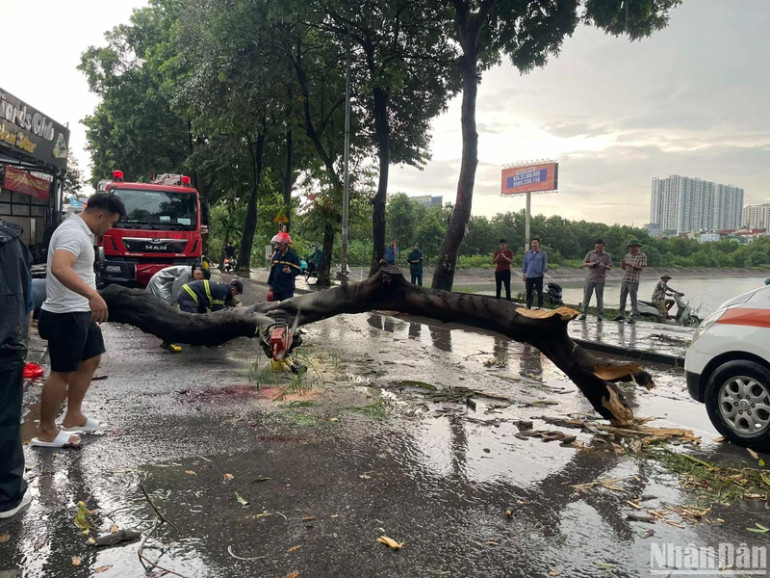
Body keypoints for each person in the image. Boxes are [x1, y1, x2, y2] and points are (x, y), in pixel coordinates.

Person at [31, 193, 126, 449]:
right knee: (62, 373)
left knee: (92, 358)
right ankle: (46, 430)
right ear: (100, 215)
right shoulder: (72, 233)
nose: (110, 229)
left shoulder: (82, 232)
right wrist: (92, 295)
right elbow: (60, 268)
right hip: (65, 314)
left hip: (79, 312)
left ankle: (73, 416)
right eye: (110, 222)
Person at [0, 218, 33, 518]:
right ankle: (7, 497)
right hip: (5, 345)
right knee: (6, 419)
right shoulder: (11, 242)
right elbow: (26, 296)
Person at [146, 264, 210, 351]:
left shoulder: (189, 272)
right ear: (198, 274)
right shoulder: (186, 272)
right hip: (160, 282)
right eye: (200, 279)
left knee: (168, 306)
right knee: (169, 306)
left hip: (165, 283)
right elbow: (177, 291)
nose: (199, 281)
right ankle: (166, 330)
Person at [614, 241, 647, 324]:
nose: (632, 248)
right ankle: (621, 313)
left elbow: (640, 268)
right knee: (622, 297)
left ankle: (633, 315)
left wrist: (630, 264)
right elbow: (624, 268)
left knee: (633, 298)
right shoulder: (627, 255)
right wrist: (623, 265)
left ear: (637, 247)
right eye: (631, 247)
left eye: (633, 247)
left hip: (634, 280)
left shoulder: (642, 255)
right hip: (625, 278)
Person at [579, 239, 613, 321]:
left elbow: (609, 267)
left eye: (600, 248)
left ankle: (600, 315)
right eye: (596, 247)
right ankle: (583, 313)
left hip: (600, 279)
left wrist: (602, 265)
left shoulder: (607, 255)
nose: (598, 249)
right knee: (586, 296)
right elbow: (583, 264)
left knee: (599, 297)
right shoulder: (590, 253)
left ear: (603, 247)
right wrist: (590, 264)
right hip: (590, 278)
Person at [267, 232, 301, 300]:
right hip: (276, 288)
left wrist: (290, 271)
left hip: (287, 289)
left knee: (286, 308)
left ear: (285, 244)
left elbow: (298, 271)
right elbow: (273, 271)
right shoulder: (276, 256)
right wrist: (270, 285)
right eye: (277, 243)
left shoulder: (293, 257)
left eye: (279, 244)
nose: (278, 245)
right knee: (274, 308)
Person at [177, 279, 244, 313]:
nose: (235, 296)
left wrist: (237, 304)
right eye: (236, 294)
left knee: (202, 315)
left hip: (189, 294)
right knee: (192, 319)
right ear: (233, 289)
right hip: (188, 295)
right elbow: (217, 312)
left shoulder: (222, 288)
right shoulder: (223, 292)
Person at [522, 237, 547, 309]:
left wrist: (543, 272)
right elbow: (525, 264)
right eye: (533, 243)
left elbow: (544, 264)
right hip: (529, 275)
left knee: (540, 292)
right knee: (529, 291)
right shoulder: (527, 254)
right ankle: (528, 305)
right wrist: (524, 274)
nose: (534, 244)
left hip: (538, 275)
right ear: (531, 244)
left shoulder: (542, 253)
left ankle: (540, 306)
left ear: (538, 244)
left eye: (536, 243)